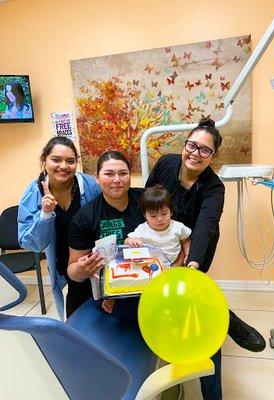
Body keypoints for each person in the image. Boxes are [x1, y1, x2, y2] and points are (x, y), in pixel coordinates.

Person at [67, 150, 222, 400]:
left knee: (201, 320)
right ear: (97, 178)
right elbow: (73, 271)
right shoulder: (86, 217)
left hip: (160, 285)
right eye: (109, 174)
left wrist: (182, 258)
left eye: (123, 173)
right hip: (118, 297)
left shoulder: (148, 200)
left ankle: (210, 394)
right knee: (162, 324)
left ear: (131, 175)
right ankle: (158, 374)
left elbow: (178, 234)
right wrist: (83, 268)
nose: (117, 179)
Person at [145, 117, 266, 357]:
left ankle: (223, 323)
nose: (195, 153)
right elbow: (147, 199)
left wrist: (191, 261)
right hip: (165, 238)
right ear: (184, 145)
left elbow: (205, 226)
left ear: (213, 156)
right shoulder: (165, 164)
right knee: (173, 291)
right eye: (191, 145)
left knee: (189, 285)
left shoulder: (214, 187)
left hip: (199, 243)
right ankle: (217, 322)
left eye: (204, 150)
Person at [18, 136, 100, 320]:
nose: (64, 166)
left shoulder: (90, 186)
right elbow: (32, 243)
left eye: (70, 161)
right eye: (56, 159)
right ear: (44, 160)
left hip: (96, 260)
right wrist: (45, 214)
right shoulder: (34, 193)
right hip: (65, 265)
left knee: (105, 316)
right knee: (77, 318)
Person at [125, 184, 191, 265]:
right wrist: (131, 241)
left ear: (171, 212)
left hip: (174, 265)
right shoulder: (142, 229)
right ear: (145, 216)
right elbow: (127, 240)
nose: (159, 219)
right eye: (153, 216)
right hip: (150, 266)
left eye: (164, 214)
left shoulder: (178, 227)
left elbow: (186, 241)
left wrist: (188, 255)